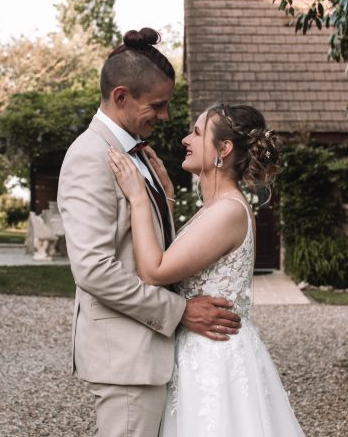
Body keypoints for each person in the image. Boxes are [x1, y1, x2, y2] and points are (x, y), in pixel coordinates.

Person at [57, 28, 242, 437]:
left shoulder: (137, 153)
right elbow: (93, 270)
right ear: (121, 96)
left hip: (149, 355)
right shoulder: (90, 158)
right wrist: (179, 312)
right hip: (126, 358)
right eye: (156, 106)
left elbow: (147, 244)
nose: (163, 116)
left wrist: (167, 202)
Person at [107, 103, 306, 436]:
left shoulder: (227, 210)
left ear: (223, 149)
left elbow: (154, 271)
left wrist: (139, 197)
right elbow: (180, 257)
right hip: (203, 348)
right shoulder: (216, 207)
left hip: (215, 358)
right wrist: (167, 198)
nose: (186, 139)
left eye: (197, 133)